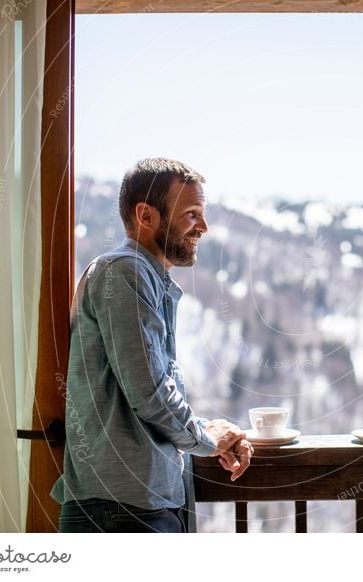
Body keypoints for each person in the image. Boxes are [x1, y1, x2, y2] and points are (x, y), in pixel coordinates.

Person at [51, 158, 253, 533]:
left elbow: (142, 394)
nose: (203, 228)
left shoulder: (143, 277)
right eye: (192, 214)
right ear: (146, 216)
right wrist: (207, 440)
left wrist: (206, 433)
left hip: (132, 506)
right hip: (122, 512)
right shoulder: (125, 271)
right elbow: (149, 391)